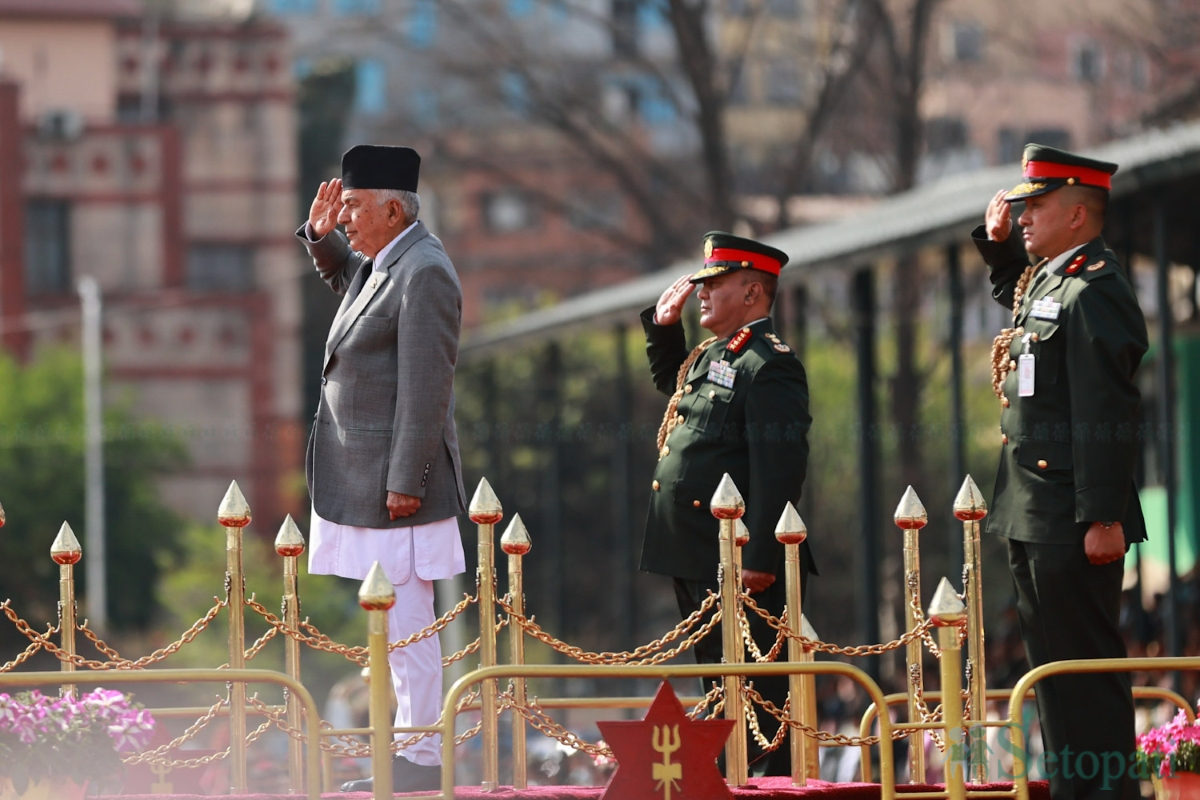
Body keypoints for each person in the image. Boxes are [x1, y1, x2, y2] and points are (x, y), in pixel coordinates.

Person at [975, 143, 1147, 800]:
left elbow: (1109, 409)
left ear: (1078, 214)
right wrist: (998, 252)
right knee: (1053, 681)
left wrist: (1104, 515)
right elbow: (1020, 308)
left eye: (1035, 206)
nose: (1022, 218)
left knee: (1085, 681)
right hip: (1037, 511)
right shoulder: (1054, 278)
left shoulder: (1096, 289)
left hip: (1075, 519)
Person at [298, 144, 468, 794]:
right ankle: (400, 756)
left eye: (353, 207)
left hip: (394, 485)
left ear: (393, 209)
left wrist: (406, 481)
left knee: (407, 628)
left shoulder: (425, 271)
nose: (344, 218)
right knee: (389, 626)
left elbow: (427, 388)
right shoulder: (388, 259)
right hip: (365, 476)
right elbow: (357, 288)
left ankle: (419, 764)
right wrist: (320, 242)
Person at [642, 231, 815, 777]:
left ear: (752, 292)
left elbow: (780, 465)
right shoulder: (715, 354)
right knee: (719, 680)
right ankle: (731, 777)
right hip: (696, 548)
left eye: (715, 284)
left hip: (744, 558)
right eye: (702, 283)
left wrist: (762, 553)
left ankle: (769, 781)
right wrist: (665, 333)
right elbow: (675, 395)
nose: (702, 293)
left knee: (759, 685)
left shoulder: (769, 363)